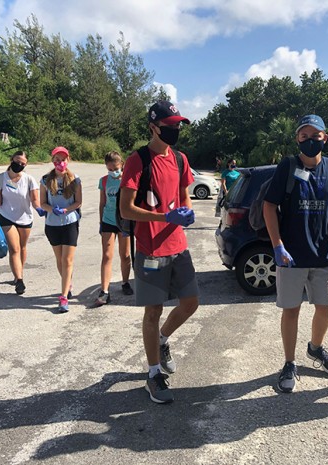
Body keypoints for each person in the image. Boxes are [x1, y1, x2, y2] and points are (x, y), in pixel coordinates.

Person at [263, 114, 328, 393]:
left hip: (322, 252)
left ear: (325, 137)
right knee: (291, 310)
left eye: (315, 136)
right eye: (304, 136)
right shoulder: (288, 166)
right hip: (291, 255)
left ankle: (316, 348)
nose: (310, 140)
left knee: (326, 308)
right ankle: (289, 363)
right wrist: (277, 244)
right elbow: (268, 206)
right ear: (297, 139)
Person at [119, 101, 198, 404]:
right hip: (150, 248)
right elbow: (126, 209)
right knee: (153, 311)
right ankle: (153, 374)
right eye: (170, 125)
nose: (175, 129)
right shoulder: (137, 160)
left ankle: (162, 339)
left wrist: (186, 212)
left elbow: (183, 197)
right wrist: (165, 217)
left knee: (190, 303)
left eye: (178, 125)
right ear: (153, 127)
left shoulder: (180, 159)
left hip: (178, 245)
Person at [0, 151, 43, 295]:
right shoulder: (0, 178)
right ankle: (19, 280)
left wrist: (39, 209)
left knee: (22, 247)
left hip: (25, 217)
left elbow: (35, 200)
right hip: (6, 217)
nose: (19, 165)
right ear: (11, 160)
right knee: (14, 248)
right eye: (17, 161)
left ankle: (18, 274)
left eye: (23, 163)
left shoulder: (29, 180)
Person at [40, 146, 82, 313]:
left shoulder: (75, 179)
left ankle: (63, 297)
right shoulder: (45, 180)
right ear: (53, 161)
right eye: (57, 159)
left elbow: (78, 202)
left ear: (68, 160)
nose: (60, 162)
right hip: (52, 224)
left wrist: (66, 210)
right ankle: (67, 283)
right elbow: (42, 203)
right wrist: (52, 210)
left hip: (70, 223)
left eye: (63, 159)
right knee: (59, 259)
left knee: (67, 260)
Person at [93, 151, 133, 307]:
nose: (113, 172)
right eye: (109, 169)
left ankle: (125, 282)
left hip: (124, 221)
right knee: (107, 255)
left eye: (115, 168)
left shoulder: (127, 180)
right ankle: (104, 291)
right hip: (108, 221)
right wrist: (101, 222)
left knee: (125, 255)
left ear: (122, 164)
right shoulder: (104, 181)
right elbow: (102, 203)